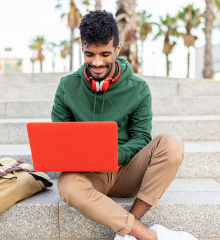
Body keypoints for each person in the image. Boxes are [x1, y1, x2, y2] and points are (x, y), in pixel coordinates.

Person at [51, 10, 197, 240]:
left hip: (128, 170)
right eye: (90, 54)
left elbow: (141, 137)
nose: (97, 62)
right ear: (82, 47)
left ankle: (132, 225)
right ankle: (145, 234)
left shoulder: (138, 88)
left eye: (105, 54)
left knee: (171, 143)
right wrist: (78, 157)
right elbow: (59, 137)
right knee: (67, 185)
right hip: (90, 175)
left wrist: (111, 155)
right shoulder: (67, 87)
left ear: (118, 50)